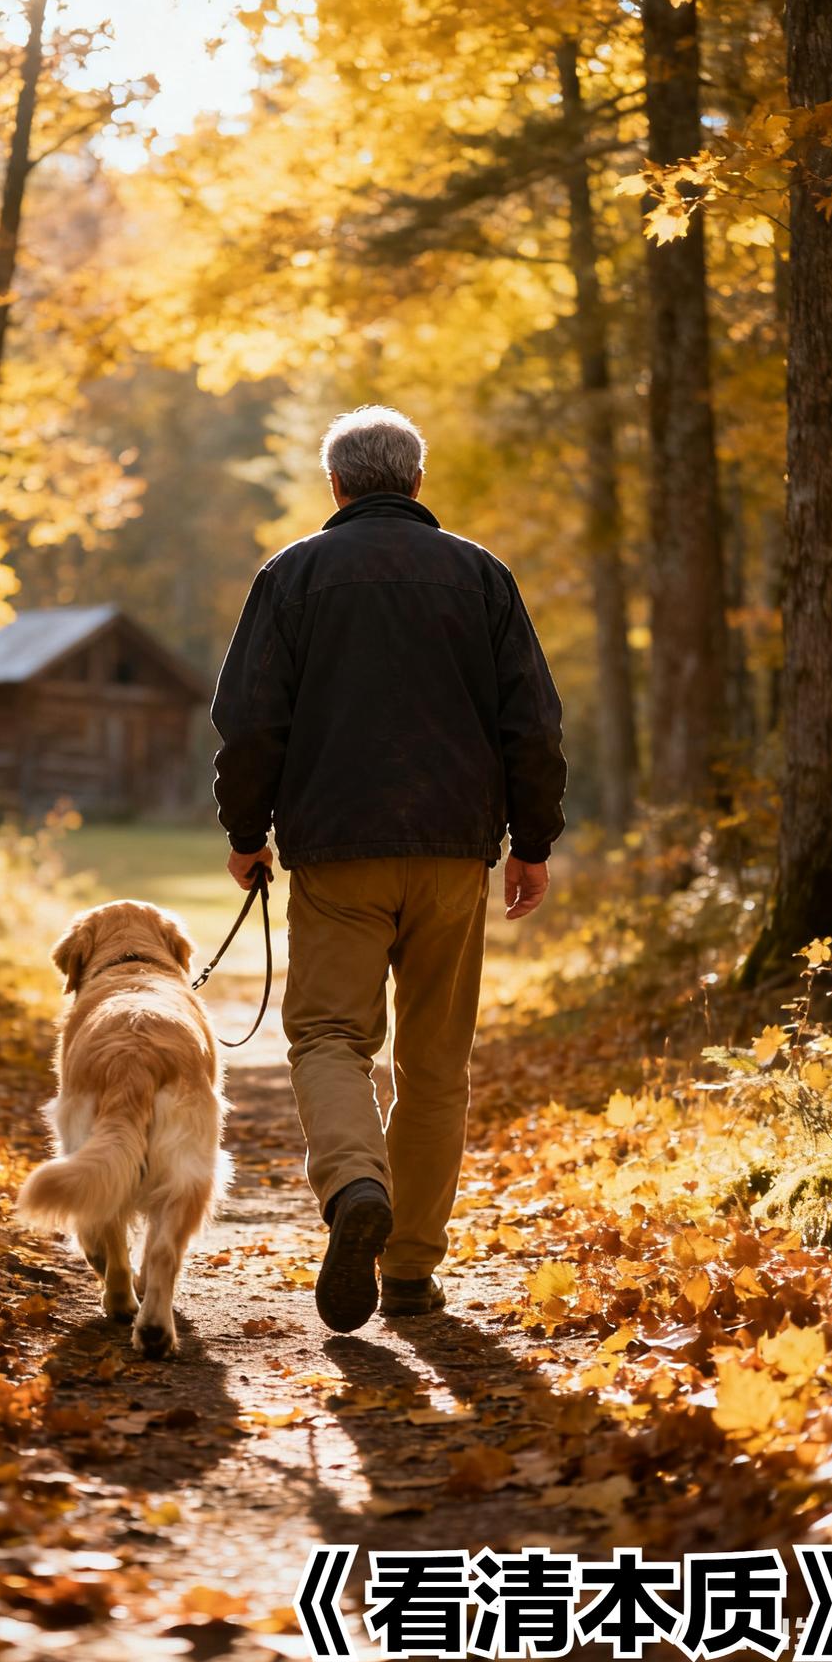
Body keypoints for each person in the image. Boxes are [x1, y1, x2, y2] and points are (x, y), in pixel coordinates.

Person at [210, 405, 566, 1333]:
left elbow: (249, 720)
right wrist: (533, 842)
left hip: (337, 851)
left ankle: (355, 1185)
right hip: (453, 855)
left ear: (336, 485)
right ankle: (408, 1272)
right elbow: (533, 722)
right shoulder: (481, 575)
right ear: (415, 482)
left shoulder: (292, 575)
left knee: (330, 1036)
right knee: (436, 1063)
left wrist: (246, 830)